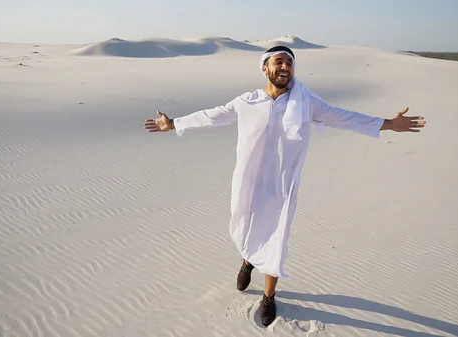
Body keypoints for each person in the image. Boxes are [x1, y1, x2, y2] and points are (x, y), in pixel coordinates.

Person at [143, 45, 425, 327]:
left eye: (289, 63)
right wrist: (175, 123)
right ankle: (248, 260)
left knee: (276, 239)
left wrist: (388, 124)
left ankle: (268, 295)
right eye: (279, 62)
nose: (285, 68)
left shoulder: (306, 102)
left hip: (282, 186)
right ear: (265, 68)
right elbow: (212, 115)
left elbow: (342, 116)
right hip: (248, 183)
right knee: (246, 227)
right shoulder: (247, 101)